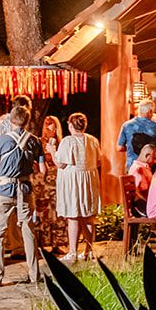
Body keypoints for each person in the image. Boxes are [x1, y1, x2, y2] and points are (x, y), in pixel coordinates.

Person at [0, 103, 43, 286]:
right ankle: (34, 274)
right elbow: (43, 169)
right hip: (24, 190)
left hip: (3, 190)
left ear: (11, 120)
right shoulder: (35, 141)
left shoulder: (3, 140)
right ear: (27, 121)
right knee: (28, 232)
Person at [54, 112, 101, 263]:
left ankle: (73, 251)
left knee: (73, 216)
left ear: (70, 125)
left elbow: (61, 163)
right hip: (89, 179)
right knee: (88, 216)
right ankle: (88, 250)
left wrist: (51, 151)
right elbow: (99, 161)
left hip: (72, 181)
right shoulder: (92, 140)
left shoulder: (68, 141)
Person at [32, 113, 66, 254]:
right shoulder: (39, 142)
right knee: (42, 210)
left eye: (51, 124)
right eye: (46, 124)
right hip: (41, 179)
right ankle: (41, 242)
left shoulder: (62, 143)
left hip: (57, 179)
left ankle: (57, 242)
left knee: (57, 210)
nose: (48, 126)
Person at [117, 99, 156, 171]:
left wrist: (130, 147)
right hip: (149, 166)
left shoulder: (126, 125)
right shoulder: (155, 126)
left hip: (131, 165)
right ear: (150, 112)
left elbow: (119, 148)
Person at [129, 142, 156, 211]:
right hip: (142, 207)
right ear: (147, 155)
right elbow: (139, 193)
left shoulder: (143, 168)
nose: (155, 161)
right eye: (154, 158)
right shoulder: (138, 169)